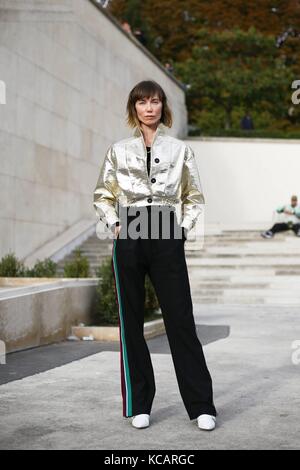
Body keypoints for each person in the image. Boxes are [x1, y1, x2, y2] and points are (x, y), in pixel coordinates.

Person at [93, 80, 217, 431]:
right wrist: (116, 223)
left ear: (164, 107)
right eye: (142, 102)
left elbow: (194, 197)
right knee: (130, 323)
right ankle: (140, 404)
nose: (149, 108)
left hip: (166, 229)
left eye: (155, 101)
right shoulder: (118, 150)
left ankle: (201, 405)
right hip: (129, 231)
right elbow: (103, 194)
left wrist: (181, 229)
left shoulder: (180, 150)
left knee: (181, 320)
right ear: (133, 108)